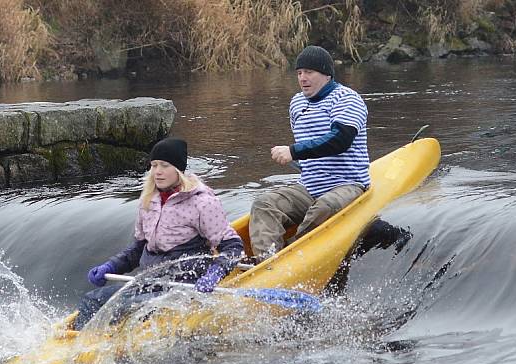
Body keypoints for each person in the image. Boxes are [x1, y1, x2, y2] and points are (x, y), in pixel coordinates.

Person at [73, 138, 244, 330]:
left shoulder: (202, 202)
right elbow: (138, 250)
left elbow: (233, 247)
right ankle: (77, 343)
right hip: (151, 282)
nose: (157, 172)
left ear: (178, 170)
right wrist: (111, 266)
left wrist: (215, 273)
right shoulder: (148, 200)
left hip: (183, 285)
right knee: (92, 300)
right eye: (154, 165)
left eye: (164, 165)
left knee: (123, 307)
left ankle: (100, 345)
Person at [249, 45, 370, 261]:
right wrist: (298, 157)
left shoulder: (347, 99)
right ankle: (266, 262)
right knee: (264, 203)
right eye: (299, 73)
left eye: (309, 72)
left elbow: (339, 141)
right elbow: (308, 148)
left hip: (348, 184)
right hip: (310, 186)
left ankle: (291, 257)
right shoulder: (296, 103)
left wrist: (293, 152)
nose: (303, 78)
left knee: (325, 206)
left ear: (326, 74)